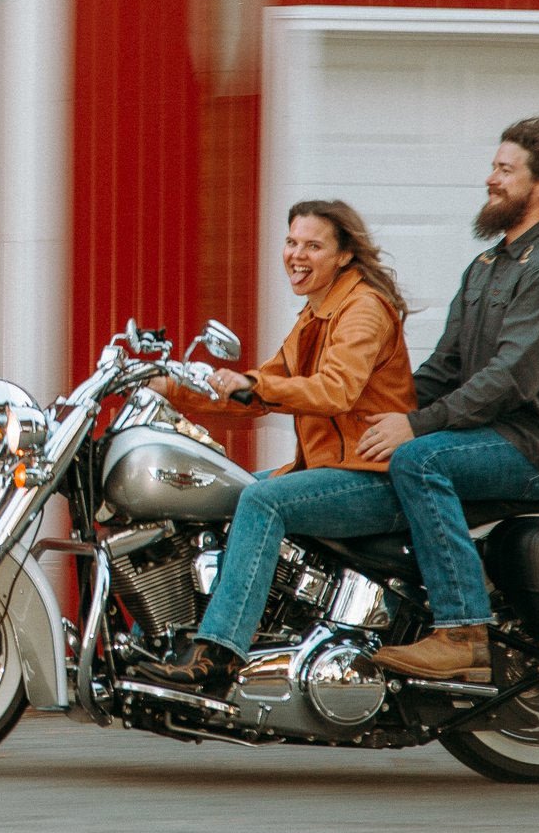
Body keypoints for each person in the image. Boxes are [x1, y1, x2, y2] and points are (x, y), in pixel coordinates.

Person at [357, 116, 539, 681]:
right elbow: (445, 366)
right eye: (493, 166)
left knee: (420, 458)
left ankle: (463, 633)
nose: (491, 178)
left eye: (505, 169)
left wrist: (417, 428)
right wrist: (370, 411)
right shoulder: (487, 266)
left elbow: (513, 377)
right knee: (372, 456)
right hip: (487, 435)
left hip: (537, 446)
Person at [136, 200, 416, 697]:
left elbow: (335, 390)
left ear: (345, 255)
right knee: (220, 492)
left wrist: (251, 383)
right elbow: (261, 391)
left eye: (313, 245)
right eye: (291, 242)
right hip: (327, 468)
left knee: (261, 499)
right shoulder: (317, 312)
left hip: (370, 475)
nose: (296, 254)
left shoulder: (363, 310)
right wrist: (168, 386)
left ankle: (219, 654)